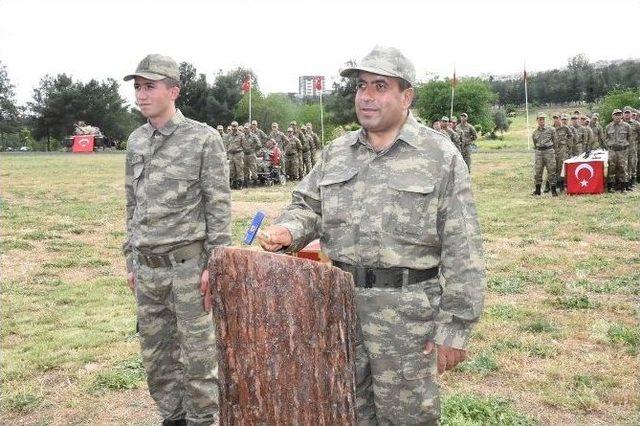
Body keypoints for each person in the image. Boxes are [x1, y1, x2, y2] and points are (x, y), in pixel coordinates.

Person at [258, 46, 485, 424]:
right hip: (339, 308)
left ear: (406, 96)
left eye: (380, 86)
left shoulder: (438, 156)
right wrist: (288, 230)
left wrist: (455, 328)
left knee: (407, 417)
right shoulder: (337, 153)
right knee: (345, 410)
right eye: (362, 86)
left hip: (408, 317)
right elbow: (308, 206)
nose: (366, 96)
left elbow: (464, 248)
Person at [122, 54, 231, 425]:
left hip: (188, 269)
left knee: (198, 359)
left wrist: (214, 266)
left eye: (149, 86)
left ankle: (202, 420)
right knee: (157, 359)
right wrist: (131, 260)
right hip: (148, 271)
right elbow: (131, 205)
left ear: (174, 90)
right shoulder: (136, 141)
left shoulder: (203, 139)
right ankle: (173, 417)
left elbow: (218, 208)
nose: (141, 94)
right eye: (137, 87)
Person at [531, 112, 558, 196]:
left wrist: (553, 152)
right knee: (538, 171)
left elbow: (555, 142)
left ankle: (553, 190)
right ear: (537, 120)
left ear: (545, 120)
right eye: (540, 119)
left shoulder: (551, 130)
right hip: (539, 153)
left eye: (543, 119)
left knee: (551, 171)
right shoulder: (535, 133)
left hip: (549, 152)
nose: (542, 120)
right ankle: (538, 191)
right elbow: (535, 144)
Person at [604, 109, 631, 192]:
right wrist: (609, 146)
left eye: (619, 114)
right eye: (616, 115)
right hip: (612, 151)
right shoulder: (608, 127)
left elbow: (630, 138)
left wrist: (624, 145)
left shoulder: (626, 126)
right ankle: (611, 187)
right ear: (612, 116)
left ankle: (623, 187)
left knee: (623, 168)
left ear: (621, 116)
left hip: (622, 151)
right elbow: (605, 138)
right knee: (611, 168)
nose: (617, 116)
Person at [552, 113, 573, 192]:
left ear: (560, 119)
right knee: (553, 167)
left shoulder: (565, 128)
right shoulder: (551, 128)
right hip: (553, 149)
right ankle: (552, 184)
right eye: (554, 118)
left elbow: (571, 136)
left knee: (561, 166)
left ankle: (561, 184)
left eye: (557, 118)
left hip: (562, 149)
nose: (555, 120)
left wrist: (568, 146)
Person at [622, 106, 640, 189]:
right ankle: (626, 182)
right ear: (623, 114)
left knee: (633, 165)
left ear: (631, 114)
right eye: (625, 113)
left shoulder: (636, 124)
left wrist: (636, 144)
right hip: (623, 149)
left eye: (628, 113)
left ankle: (632, 182)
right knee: (624, 166)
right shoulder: (620, 124)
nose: (627, 115)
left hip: (633, 148)